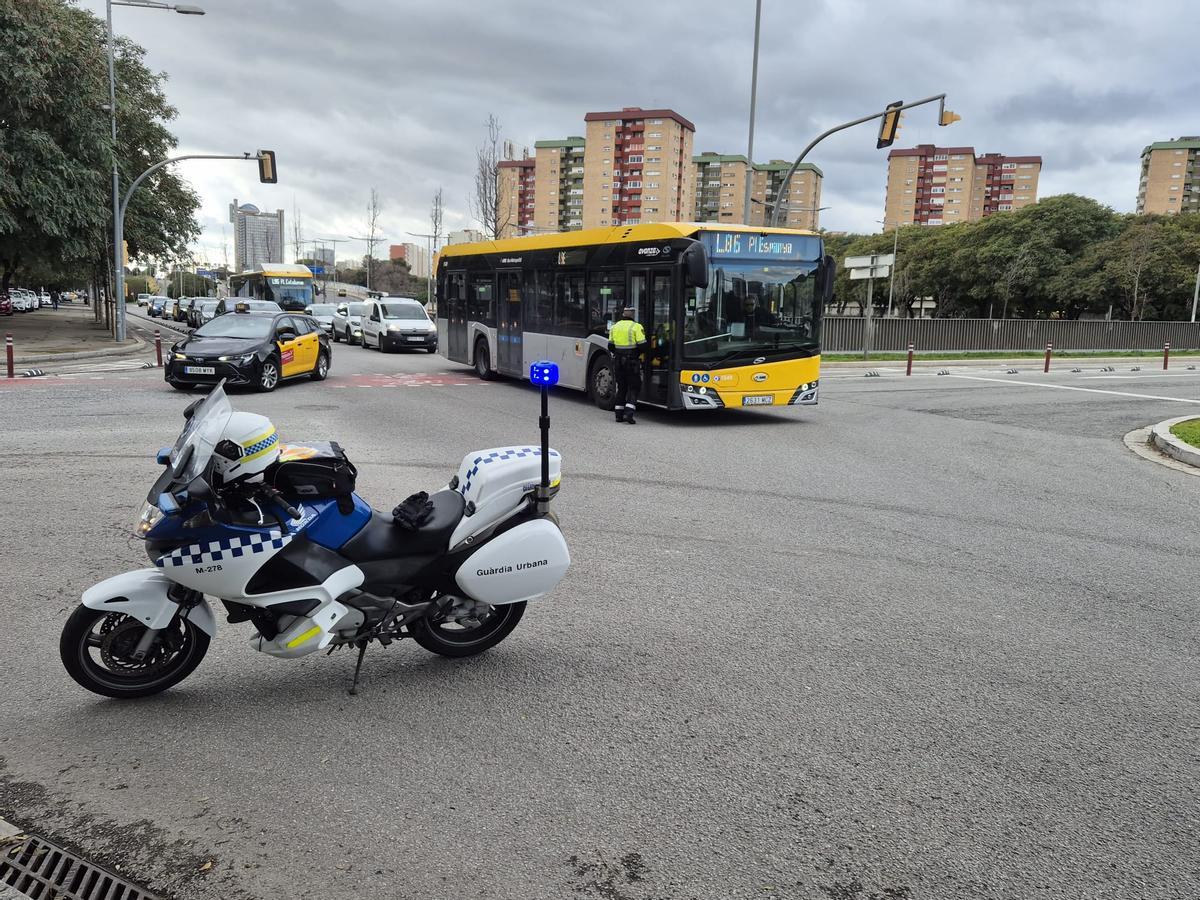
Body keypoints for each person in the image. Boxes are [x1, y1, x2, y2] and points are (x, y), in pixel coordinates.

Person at [608, 306, 646, 424]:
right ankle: (628, 414)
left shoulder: (615, 327)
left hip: (618, 362)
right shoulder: (636, 327)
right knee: (634, 387)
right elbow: (642, 345)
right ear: (633, 315)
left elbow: (610, 346)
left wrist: (619, 354)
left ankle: (618, 415)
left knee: (622, 387)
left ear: (623, 315)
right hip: (631, 362)